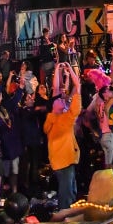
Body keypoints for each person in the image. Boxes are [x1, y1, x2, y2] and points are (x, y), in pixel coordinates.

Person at [43, 62, 81, 210]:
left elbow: (73, 88)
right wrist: (67, 70)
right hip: (64, 160)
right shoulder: (65, 117)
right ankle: (66, 217)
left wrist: (62, 69)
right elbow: (74, 88)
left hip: (61, 160)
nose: (61, 99)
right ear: (54, 106)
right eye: (59, 100)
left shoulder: (54, 118)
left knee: (70, 190)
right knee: (67, 193)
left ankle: (68, 213)